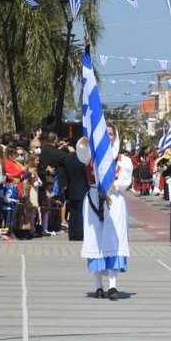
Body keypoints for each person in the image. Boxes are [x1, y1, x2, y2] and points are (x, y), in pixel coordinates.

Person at [77, 123, 131, 301]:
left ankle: (113, 286)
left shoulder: (123, 159)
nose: (107, 136)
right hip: (93, 198)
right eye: (103, 133)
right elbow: (81, 153)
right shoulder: (91, 156)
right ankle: (98, 286)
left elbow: (125, 181)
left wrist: (112, 185)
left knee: (113, 239)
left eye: (110, 134)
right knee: (95, 240)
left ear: (115, 137)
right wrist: (84, 142)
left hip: (113, 199)